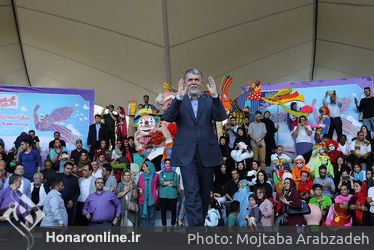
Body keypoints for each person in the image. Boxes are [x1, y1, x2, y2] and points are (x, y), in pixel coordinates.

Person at [162, 68, 227, 226]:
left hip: (207, 152)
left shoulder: (209, 100)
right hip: (186, 154)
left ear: (201, 82)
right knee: (191, 192)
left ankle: (199, 225)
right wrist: (178, 97)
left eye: (196, 80)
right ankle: (195, 232)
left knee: (205, 194)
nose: (193, 83)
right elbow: (168, 118)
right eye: (190, 80)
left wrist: (215, 96)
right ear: (185, 83)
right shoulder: (179, 101)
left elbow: (221, 116)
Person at [58, 161, 80, 226]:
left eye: (71, 169)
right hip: (58, 203)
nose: (69, 170)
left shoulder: (75, 178)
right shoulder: (58, 176)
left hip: (69, 204)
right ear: (64, 168)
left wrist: (72, 201)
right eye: (68, 168)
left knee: (69, 222)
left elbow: (77, 192)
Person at [137, 161, 158, 226]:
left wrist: (157, 190)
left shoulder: (156, 176)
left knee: (151, 217)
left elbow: (159, 185)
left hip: (152, 199)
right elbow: (138, 185)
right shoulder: (141, 176)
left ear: (148, 167)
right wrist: (139, 189)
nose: (142, 168)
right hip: (142, 199)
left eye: (144, 167)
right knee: (142, 217)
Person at [158, 159, 178, 227]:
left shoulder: (174, 173)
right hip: (163, 195)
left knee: (173, 211)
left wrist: (165, 183)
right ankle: (164, 225)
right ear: (164, 164)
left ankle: (173, 224)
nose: (168, 165)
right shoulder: (161, 173)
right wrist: (170, 182)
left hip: (172, 195)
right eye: (166, 163)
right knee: (163, 211)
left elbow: (175, 184)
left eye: (169, 163)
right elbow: (161, 183)